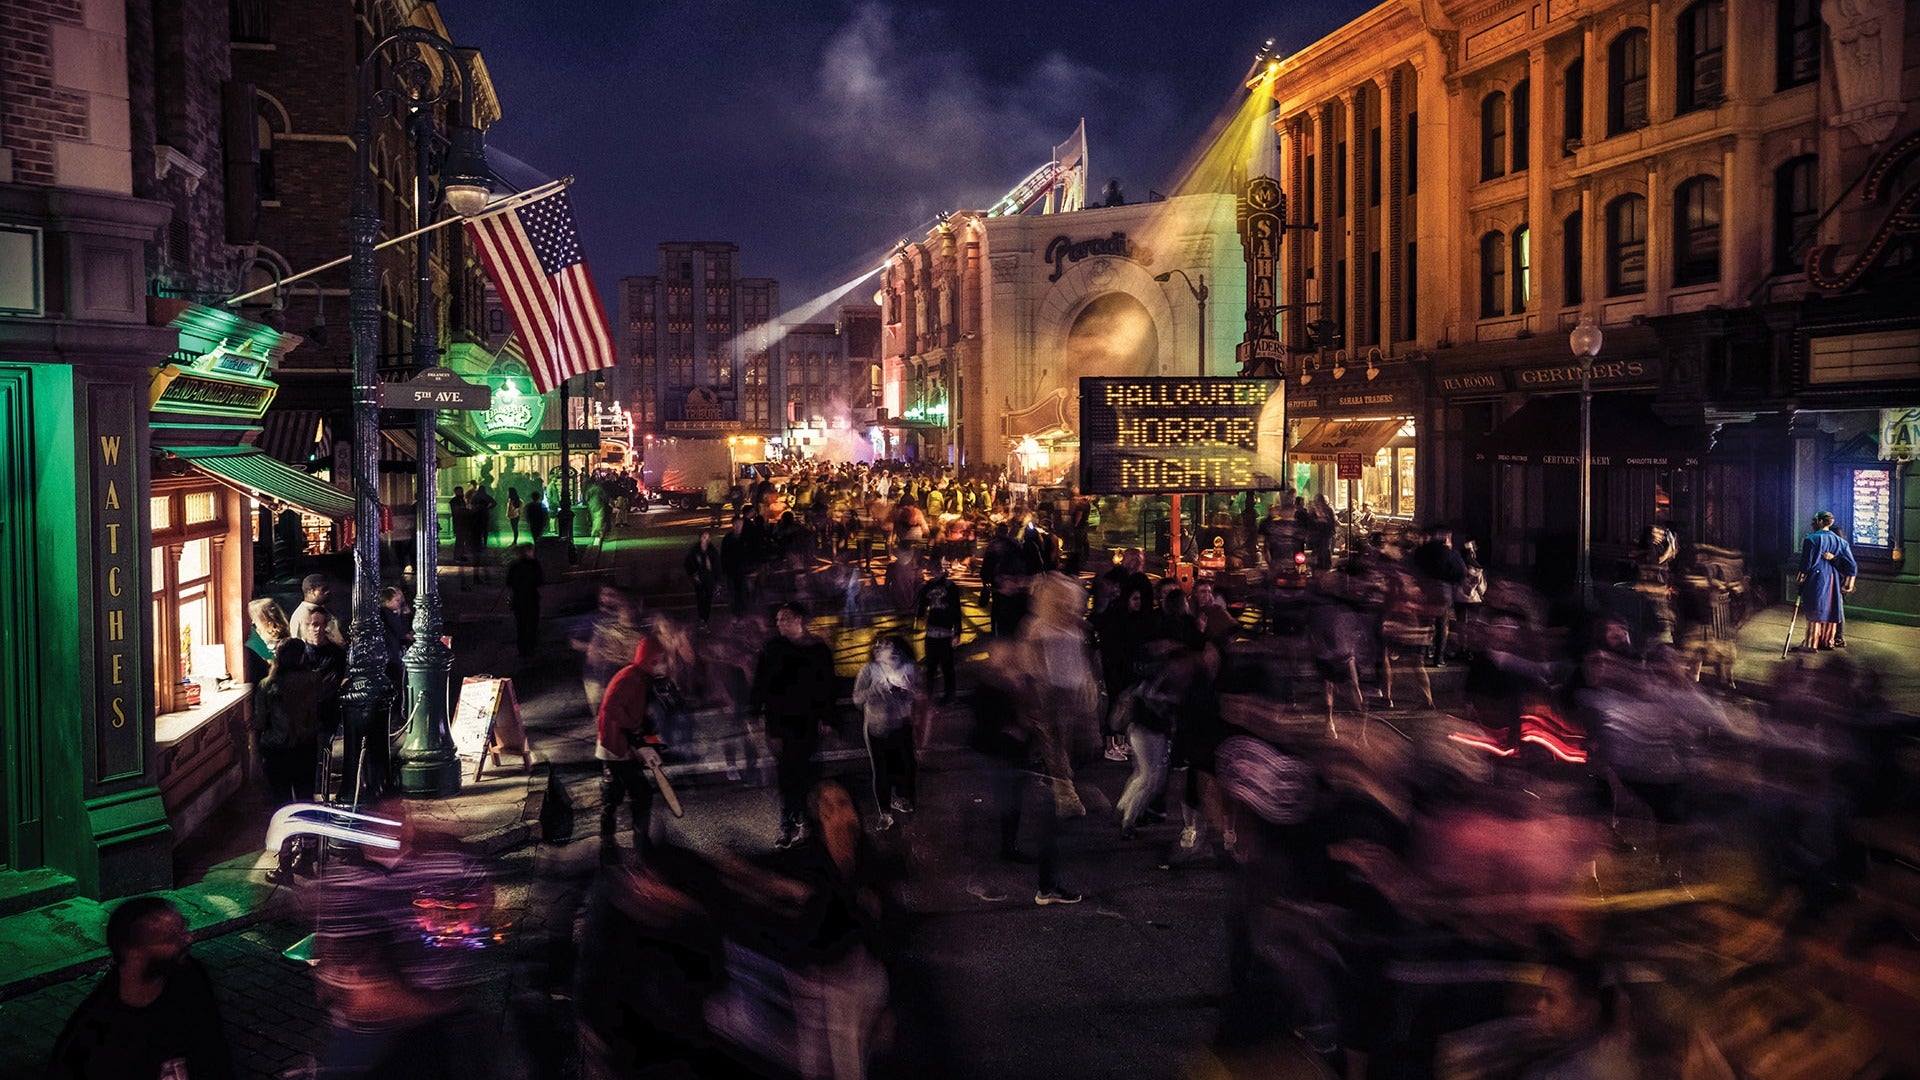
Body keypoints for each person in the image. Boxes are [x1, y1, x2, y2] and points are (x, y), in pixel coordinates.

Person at [47, 896, 235, 1080]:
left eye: (184, 928)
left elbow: (214, 1052)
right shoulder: (95, 1035)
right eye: (171, 938)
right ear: (135, 955)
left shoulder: (189, 977)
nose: (188, 939)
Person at [752, 603, 838, 848]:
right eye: (778, 620)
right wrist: (756, 713)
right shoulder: (772, 649)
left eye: (786, 619)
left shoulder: (818, 650)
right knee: (787, 775)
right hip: (781, 721)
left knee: (809, 772)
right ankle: (789, 823)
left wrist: (829, 718)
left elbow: (828, 686)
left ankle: (810, 822)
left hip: (809, 721)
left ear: (800, 620)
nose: (780, 623)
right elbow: (762, 683)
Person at [256, 605, 347, 812]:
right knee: (305, 795)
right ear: (301, 657)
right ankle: (305, 838)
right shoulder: (313, 680)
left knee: (281, 799)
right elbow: (321, 700)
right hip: (304, 744)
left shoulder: (266, 685)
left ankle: (285, 839)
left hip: (275, 748)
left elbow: (260, 720)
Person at [597, 638, 668, 864]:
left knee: (620, 794)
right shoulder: (631, 679)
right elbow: (611, 710)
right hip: (615, 746)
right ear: (650, 660)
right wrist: (638, 737)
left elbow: (643, 719)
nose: (664, 665)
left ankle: (616, 842)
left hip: (623, 744)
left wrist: (651, 744)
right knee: (631, 794)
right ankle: (632, 843)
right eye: (661, 661)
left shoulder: (641, 679)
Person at [852, 637, 921, 830]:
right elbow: (856, 699)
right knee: (881, 771)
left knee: (906, 766)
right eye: (877, 645)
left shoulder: (908, 668)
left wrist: (907, 691)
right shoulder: (869, 670)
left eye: (886, 644)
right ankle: (885, 813)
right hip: (877, 728)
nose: (880, 647)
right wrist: (872, 691)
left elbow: (916, 695)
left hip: (901, 725)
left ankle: (900, 797)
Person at [1796, 510, 1857, 651]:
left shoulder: (1811, 539)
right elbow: (1852, 565)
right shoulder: (1840, 542)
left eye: (1814, 520)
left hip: (1815, 579)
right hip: (1833, 579)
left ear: (1820, 521)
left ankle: (1811, 643)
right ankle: (1827, 641)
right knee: (1830, 607)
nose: (1812, 523)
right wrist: (1848, 583)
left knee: (1815, 608)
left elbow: (1806, 565)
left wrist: (1800, 581)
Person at [914, 562, 964, 703]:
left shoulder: (950, 587)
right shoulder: (928, 587)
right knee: (932, 667)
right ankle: (930, 697)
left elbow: (956, 610)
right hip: (933, 633)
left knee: (946, 667)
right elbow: (921, 609)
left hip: (944, 633)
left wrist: (957, 632)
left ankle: (949, 696)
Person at [506, 543, 544, 658]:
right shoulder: (534, 564)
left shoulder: (514, 565)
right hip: (532, 598)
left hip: (518, 599)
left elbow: (509, 582)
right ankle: (532, 648)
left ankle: (522, 650)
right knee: (532, 624)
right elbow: (540, 580)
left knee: (521, 625)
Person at [289, 572, 346, 647]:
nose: (328, 592)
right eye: (323, 589)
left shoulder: (325, 610)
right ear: (311, 591)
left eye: (328, 588)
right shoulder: (302, 615)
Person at [685, 530, 719, 627]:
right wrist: (694, 573)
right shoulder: (695, 550)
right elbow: (688, 563)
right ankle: (701, 618)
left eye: (707, 537)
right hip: (699, 579)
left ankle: (705, 618)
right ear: (700, 538)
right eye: (704, 537)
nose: (705, 539)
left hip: (709, 578)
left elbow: (717, 564)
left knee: (708, 599)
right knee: (700, 598)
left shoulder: (712, 550)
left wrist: (717, 578)